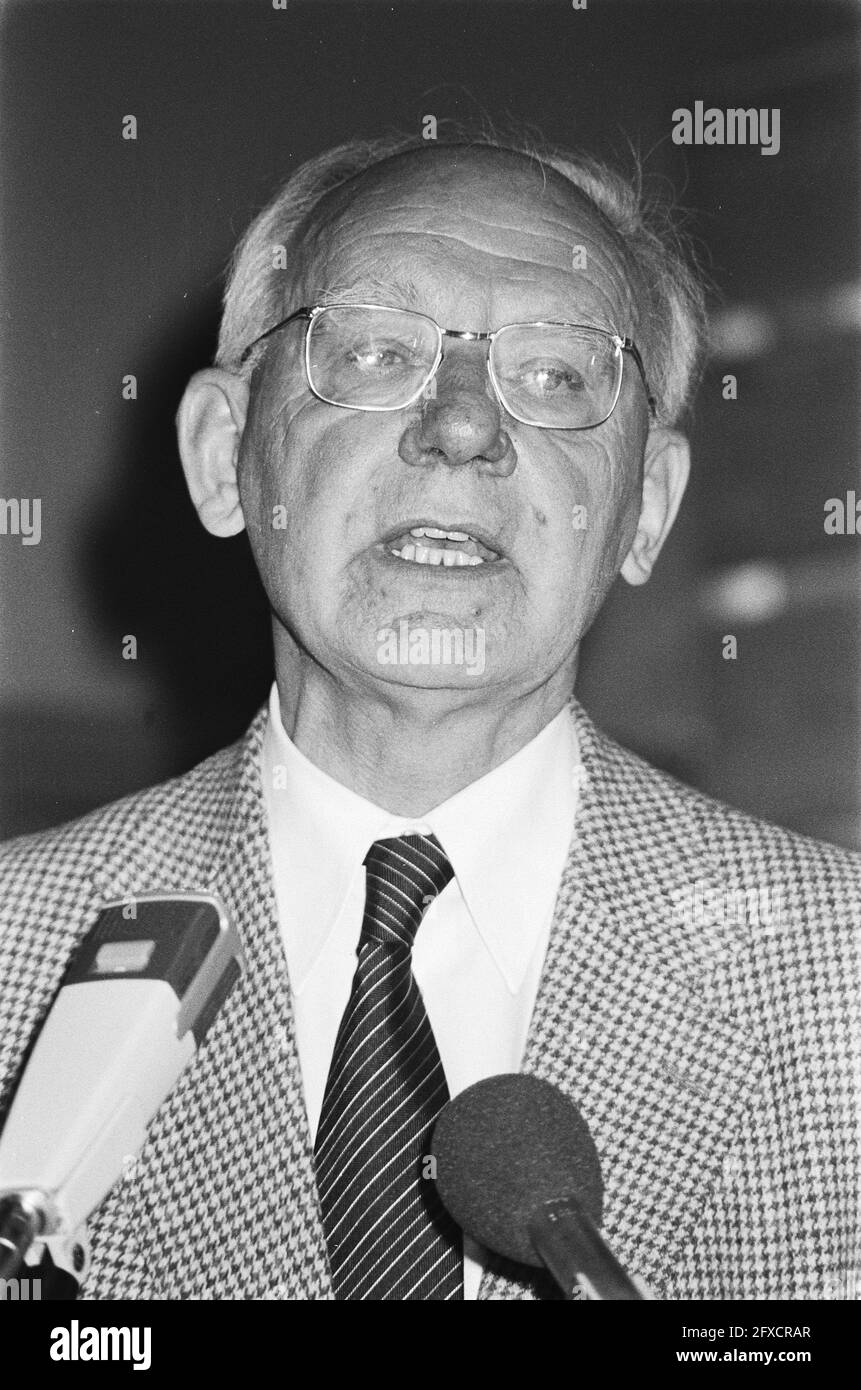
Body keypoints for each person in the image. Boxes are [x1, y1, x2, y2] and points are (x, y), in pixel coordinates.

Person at [0, 133, 857, 1301]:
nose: (462, 426)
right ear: (221, 457)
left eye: (558, 376)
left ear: (646, 508)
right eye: (373, 351)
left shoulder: (836, 982)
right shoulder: (16, 957)